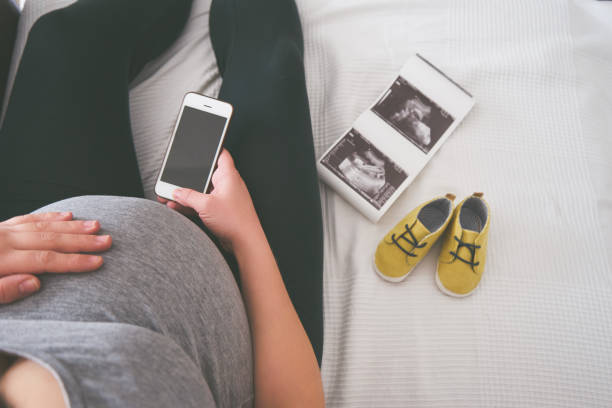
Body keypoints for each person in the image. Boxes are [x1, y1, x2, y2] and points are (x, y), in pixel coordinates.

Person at [0, 0, 325, 406]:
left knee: (59, 36)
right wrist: (246, 235)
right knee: (270, 56)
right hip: (244, 304)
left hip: (45, 228)